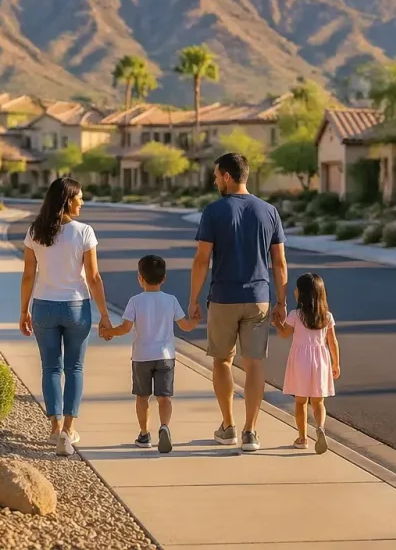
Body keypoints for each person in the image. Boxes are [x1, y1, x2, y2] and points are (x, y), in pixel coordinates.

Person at [189, 151, 288, 453]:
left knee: (222, 360)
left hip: (223, 298)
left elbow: (202, 259)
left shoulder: (214, 211)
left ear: (228, 177)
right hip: (258, 298)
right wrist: (282, 303)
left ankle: (228, 426)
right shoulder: (269, 211)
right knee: (254, 363)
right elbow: (280, 262)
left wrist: (193, 298)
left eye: (217, 175)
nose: (214, 179)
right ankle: (251, 432)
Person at [19, 176, 111, 457]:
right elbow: (93, 277)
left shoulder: (35, 231)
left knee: (50, 368)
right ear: (67, 200)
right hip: (75, 307)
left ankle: (54, 428)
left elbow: (28, 275)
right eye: (79, 197)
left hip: (44, 306)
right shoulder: (84, 232)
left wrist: (23, 310)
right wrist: (105, 314)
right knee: (74, 369)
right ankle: (69, 431)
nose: (82, 202)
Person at [100, 254, 197, 453]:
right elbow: (185, 326)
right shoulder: (171, 300)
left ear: (140, 278)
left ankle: (144, 434)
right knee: (164, 397)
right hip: (166, 356)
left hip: (142, 356)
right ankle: (164, 427)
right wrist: (195, 319)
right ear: (164, 279)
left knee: (142, 397)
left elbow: (126, 328)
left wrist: (108, 332)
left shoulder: (135, 301)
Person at [273, 272, 340, 454]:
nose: (294, 291)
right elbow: (332, 342)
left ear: (301, 294)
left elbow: (284, 334)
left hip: (301, 360)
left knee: (301, 402)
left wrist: (277, 323)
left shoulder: (296, 315)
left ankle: (302, 438)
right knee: (318, 402)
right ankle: (320, 427)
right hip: (321, 360)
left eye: (296, 289)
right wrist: (336, 364)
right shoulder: (327, 316)